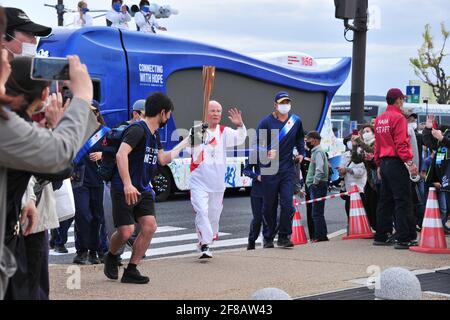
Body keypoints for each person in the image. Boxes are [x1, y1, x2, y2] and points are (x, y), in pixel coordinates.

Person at [103, 92, 192, 283]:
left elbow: (162, 159)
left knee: (149, 227)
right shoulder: (138, 130)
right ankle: (110, 255)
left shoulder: (154, 134)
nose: (168, 118)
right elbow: (121, 155)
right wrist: (127, 184)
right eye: (169, 114)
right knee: (126, 231)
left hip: (143, 189)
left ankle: (131, 270)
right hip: (124, 188)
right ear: (162, 113)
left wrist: (187, 141)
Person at [190, 100, 247, 258]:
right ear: (205, 112)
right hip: (199, 182)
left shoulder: (224, 132)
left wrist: (240, 125)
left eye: (218, 111)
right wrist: (199, 137)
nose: (216, 113)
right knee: (202, 211)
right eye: (212, 110)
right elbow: (192, 152)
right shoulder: (196, 130)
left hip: (217, 183)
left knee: (213, 216)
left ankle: (207, 240)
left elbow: (240, 139)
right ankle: (205, 245)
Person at [256, 91, 304, 248]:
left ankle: (284, 236)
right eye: (282, 103)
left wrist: (301, 153)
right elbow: (258, 145)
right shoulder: (266, 122)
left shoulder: (295, 121)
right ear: (275, 105)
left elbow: (299, 139)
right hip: (270, 169)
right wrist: (266, 153)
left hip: (287, 170)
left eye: (287, 102)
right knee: (269, 206)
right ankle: (268, 237)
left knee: (287, 204)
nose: (285, 105)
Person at [373, 88, 418, 249]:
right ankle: (404, 238)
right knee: (403, 200)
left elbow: (377, 145)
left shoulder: (379, 119)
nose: (403, 102)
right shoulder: (398, 118)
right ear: (398, 100)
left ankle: (381, 235)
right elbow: (401, 143)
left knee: (385, 200)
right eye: (402, 100)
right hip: (397, 163)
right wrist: (410, 163)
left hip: (384, 163)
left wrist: (378, 164)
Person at [72, 104, 110, 265]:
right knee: (82, 215)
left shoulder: (106, 132)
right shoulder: (76, 130)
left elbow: (118, 152)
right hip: (79, 179)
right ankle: (81, 251)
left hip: (98, 178)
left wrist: (103, 154)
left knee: (97, 217)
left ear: (96, 113)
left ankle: (95, 251)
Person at [422, 115, 450, 234]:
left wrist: (442, 138)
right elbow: (429, 143)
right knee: (445, 207)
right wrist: (428, 129)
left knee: (445, 208)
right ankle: (438, 229)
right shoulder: (446, 132)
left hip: (445, 178)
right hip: (442, 177)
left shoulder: (444, 136)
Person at [351, 125, 377, 231]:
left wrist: (359, 142)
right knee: (369, 205)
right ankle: (374, 227)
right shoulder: (363, 146)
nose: (365, 133)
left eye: (368, 131)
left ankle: (381, 228)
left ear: (374, 133)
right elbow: (356, 159)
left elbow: (371, 151)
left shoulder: (376, 143)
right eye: (364, 131)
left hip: (378, 179)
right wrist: (354, 146)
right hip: (370, 180)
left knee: (377, 205)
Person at [305, 131, 329, 242]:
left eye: (308, 140)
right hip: (318, 184)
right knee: (318, 211)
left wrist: (315, 182)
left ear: (314, 140)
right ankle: (322, 235)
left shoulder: (318, 152)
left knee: (316, 212)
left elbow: (319, 168)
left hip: (317, 185)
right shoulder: (316, 151)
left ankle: (320, 236)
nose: (307, 142)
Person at [338, 138, 367, 222]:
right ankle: (351, 228)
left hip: (359, 188)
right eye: (348, 141)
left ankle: (362, 229)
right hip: (348, 189)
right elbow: (342, 167)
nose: (350, 143)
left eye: (352, 141)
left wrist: (347, 170)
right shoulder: (345, 154)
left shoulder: (361, 153)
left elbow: (360, 172)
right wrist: (341, 171)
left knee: (360, 212)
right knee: (349, 211)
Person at [243, 155, 265, 250]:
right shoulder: (256, 154)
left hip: (272, 191)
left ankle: (268, 240)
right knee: (258, 219)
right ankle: (252, 240)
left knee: (272, 218)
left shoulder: (277, 152)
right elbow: (246, 170)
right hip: (257, 192)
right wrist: (256, 176)